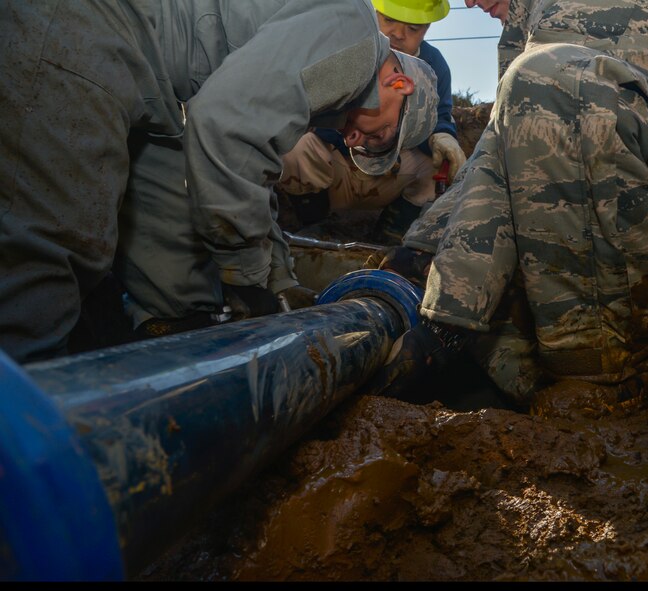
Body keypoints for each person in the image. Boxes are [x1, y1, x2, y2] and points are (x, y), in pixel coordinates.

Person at [365, 0, 648, 419]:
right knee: (497, 293)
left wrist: (441, 318)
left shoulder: (571, 18)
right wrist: (419, 257)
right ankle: (533, 380)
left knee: (552, 80)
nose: (468, 2)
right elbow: (503, 162)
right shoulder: (525, 24)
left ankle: (616, 374)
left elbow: (562, 109)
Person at [0, 0, 438, 365]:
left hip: (158, 89)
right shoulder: (355, 38)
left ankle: (165, 354)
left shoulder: (332, 58)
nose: (353, 139)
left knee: (180, 296)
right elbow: (228, 129)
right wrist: (248, 276)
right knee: (56, 246)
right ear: (397, 83)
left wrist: (280, 283)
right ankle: (27, 422)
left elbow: (251, 167)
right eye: (377, 136)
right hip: (83, 26)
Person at [275, 0, 467, 244]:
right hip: (336, 168)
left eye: (412, 28)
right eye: (389, 20)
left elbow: (440, 114)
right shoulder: (341, 48)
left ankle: (389, 239)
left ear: (428, 27)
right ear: (374, 12)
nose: (398, 34)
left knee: (436, 165)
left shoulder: (433, 64)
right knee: (295, 149)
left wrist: (442, 134)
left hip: (390, 174)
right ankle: (315, 226)